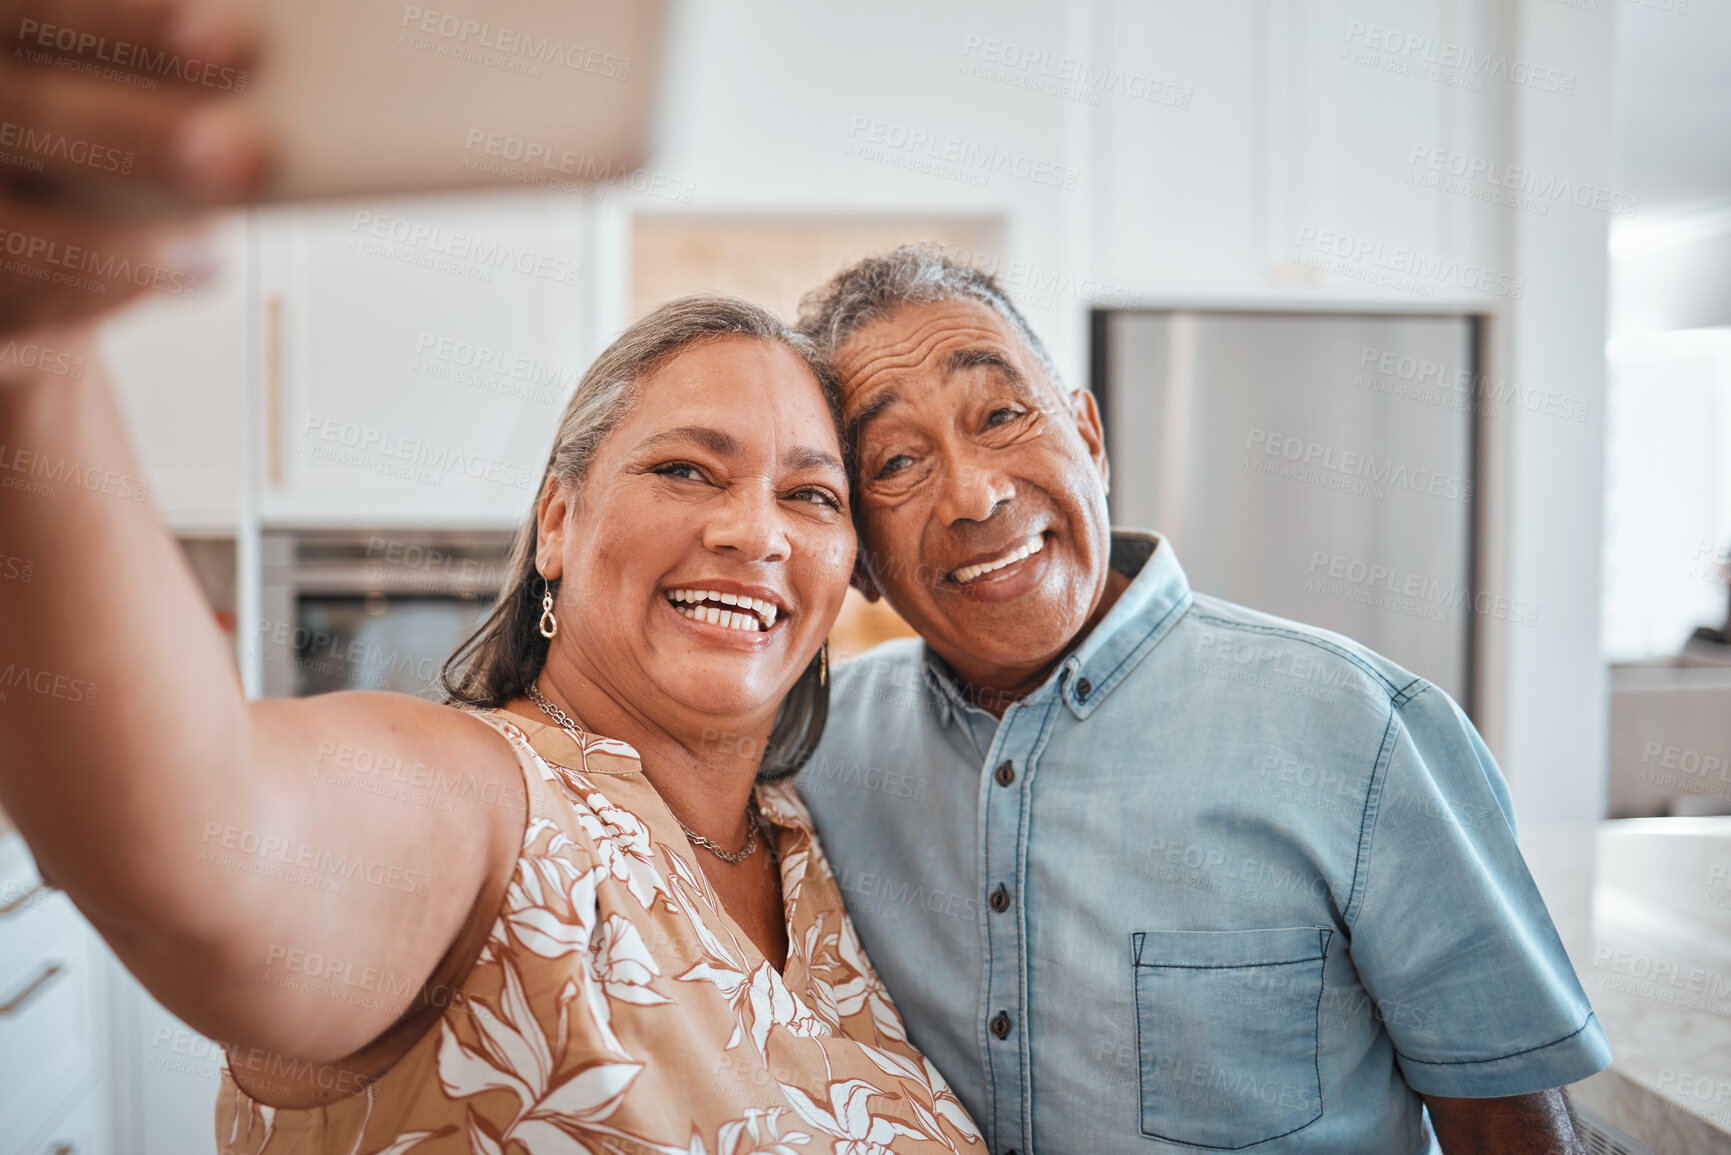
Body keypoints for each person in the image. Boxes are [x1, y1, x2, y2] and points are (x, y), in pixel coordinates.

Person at [0, 7, 982, 1147]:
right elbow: (201, 847)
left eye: (811, 496)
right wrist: (33, 359)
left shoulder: (819, 851)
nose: (754, 533)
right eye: (684, 468)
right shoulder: (487, 808)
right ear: (557, 523)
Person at [793, 245, 1612, 1155]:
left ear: (1089, 439)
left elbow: (1510, 1131)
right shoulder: (813, 754)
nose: (973, 491)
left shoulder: (1359, 727)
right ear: (854, 551)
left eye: (1000, 414)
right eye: (897, 459)